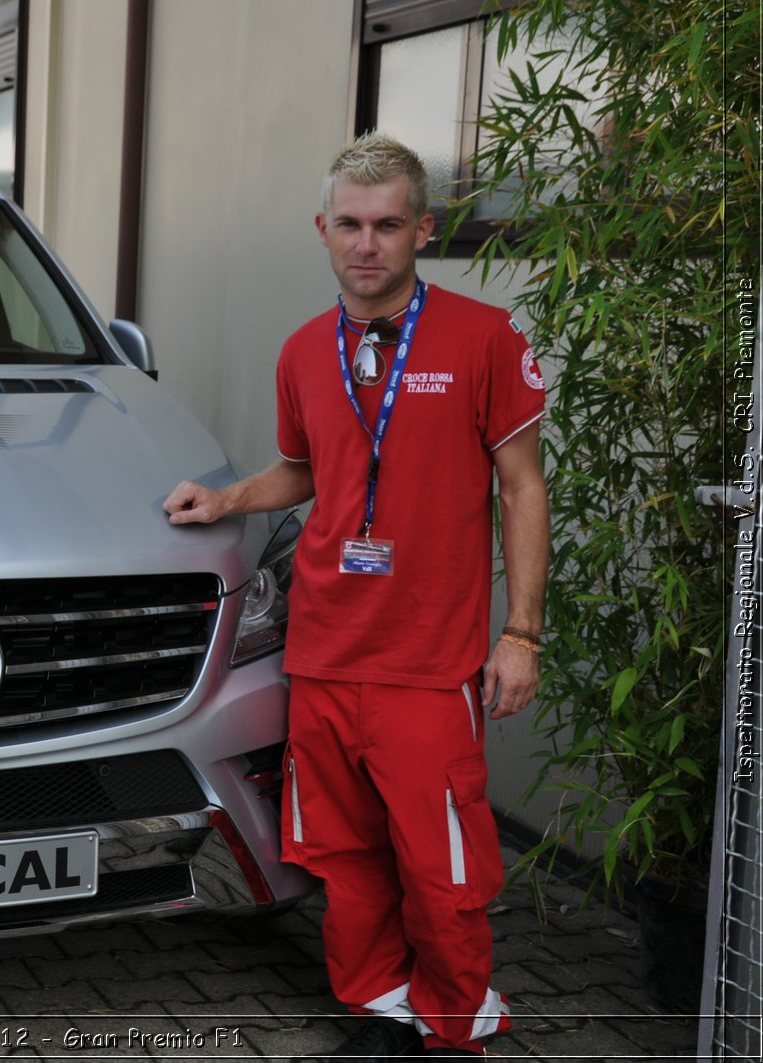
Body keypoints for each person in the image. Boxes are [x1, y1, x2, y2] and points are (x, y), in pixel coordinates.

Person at [164, 132, 550, 1059]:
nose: (367, 243)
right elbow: (305, 470)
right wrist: (228, 498)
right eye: (350, 224)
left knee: (443, 871)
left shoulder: (484, 339)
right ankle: (383, 1014)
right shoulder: (304, 351)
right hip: (324, 654)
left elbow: (523, 487)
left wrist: (523, 633)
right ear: (323, 230)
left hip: (429, 665)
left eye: (387, 225)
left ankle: (454, 1033)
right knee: (344, 855)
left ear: (422, 230)